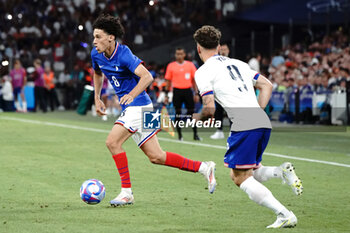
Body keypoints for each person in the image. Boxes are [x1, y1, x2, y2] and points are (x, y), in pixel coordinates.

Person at [91, 14, 216, 207]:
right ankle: (204, 168)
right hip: (142, 108)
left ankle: (126, 192)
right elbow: (97, 72)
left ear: (111, 37)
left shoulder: (123, 54)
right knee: (157, 156)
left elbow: (147, 77)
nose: (94, 41)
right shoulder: (96, 54)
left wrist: (131, 95)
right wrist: (97, 97)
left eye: (98, 36)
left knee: (112, 142)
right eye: (94, 36)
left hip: (139, 106)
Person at [193, 25, 303, 228]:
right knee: (252, 171)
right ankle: (281, 173)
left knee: (239, 177)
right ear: (218, 46)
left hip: (244, 123)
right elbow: (267, 85)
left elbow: (209, 108)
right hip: (261, 121)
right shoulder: (239, 63)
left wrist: (195, 118)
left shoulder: (202, 72)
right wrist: (257, 110)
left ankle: (284, 214)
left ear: (198, 49)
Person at [165, 47, 201, 141]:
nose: (179, 55)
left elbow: (194, 80)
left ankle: (195, 135)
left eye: (181, 54)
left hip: (188, 91)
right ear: (175, 55)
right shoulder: (171, 66)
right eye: (177, 54)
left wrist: (196, 93)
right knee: (178, 114)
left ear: (184, 54)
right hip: (177, 91)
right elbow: (168, 81)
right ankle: (180, 136)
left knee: (192, 113)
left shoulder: (190, 65)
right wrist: (166, 94)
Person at [210, 42, 230, 140]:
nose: (223, 51)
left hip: (230, 91)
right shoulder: (214, 63)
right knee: (218, 111)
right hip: (218, 91)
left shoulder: (232, 62)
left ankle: (233, 131)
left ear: (228, 51)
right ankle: (219, 131)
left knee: (231, 111)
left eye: (225, 49)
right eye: (221, 49)